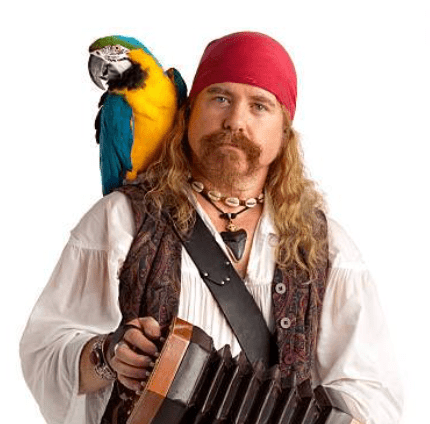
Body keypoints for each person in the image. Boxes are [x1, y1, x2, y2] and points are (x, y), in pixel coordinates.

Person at [20, 32, 403, 424]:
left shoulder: (326, 246)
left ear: (284, 133)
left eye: (259, 106)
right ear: (189, 112)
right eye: (220, 98)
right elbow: (43, 351)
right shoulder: (120, 220)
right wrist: (107, 355)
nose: (235, 120)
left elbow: (371, 390)